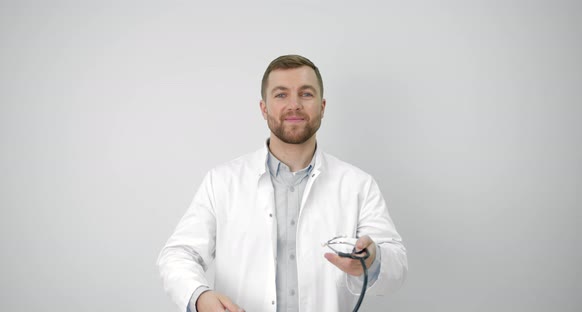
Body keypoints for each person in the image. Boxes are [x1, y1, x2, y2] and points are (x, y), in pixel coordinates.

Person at [157, 55, 407, 312]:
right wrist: (199, 297)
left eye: (306, 94)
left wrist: (373, 260)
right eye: (281, 95)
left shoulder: (358, 185)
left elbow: (397, 267)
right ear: (264, 108)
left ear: (322, 106)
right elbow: (178, 254)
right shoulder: (222, 182)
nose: (294, 105)